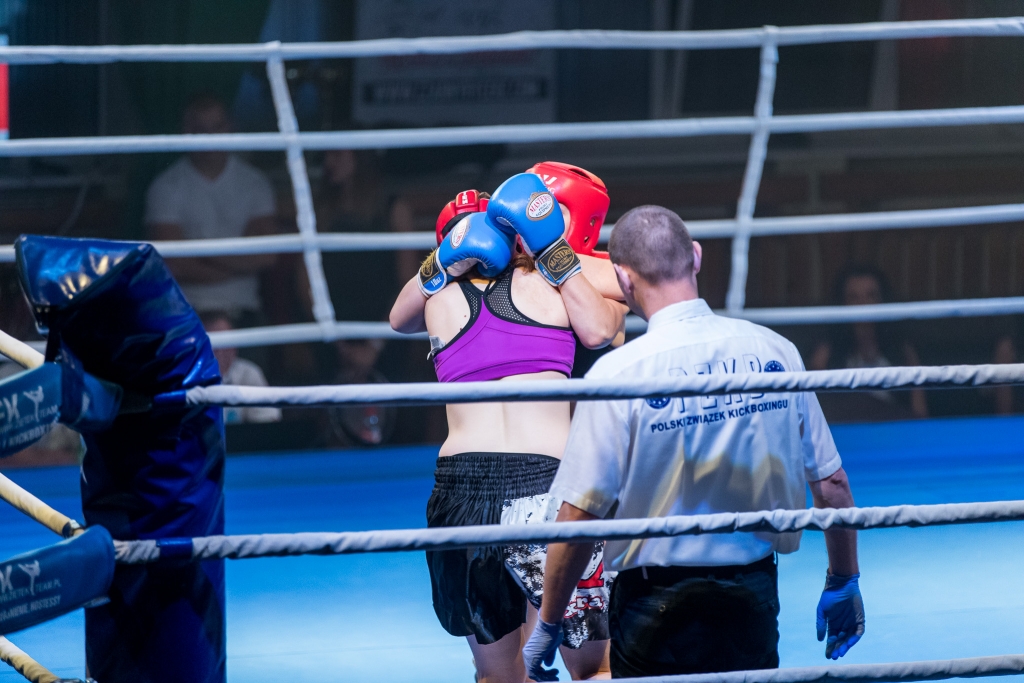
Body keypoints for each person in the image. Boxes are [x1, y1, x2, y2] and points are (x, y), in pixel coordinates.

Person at [525, 205, 865, 680]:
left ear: (623, 279)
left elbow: (579, 517)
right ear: (697, 256)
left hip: (654, 602)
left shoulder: (618, 374)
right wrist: (844, 579)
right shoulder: (775, 350)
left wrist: (549, 621)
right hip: (752, 593)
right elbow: (832, 484)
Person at [390, 174, 628, 682]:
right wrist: (555, 251)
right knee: (593, 669)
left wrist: (438, 266)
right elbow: (615, 307)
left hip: (460, 493)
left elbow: (395, 318)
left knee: (497, 677)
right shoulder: (551, 283)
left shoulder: (435, 300)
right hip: (547, 486)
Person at [145, 94, 278, 325]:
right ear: (187, 131)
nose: (210, 137)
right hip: (185, 313)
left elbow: (265, 255)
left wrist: (200, 251)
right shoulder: (166, 186)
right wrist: (237, 264)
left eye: (217, 127)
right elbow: (172, 263)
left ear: (230, 128)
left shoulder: (254, 183)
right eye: (201, 129)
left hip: (244, 311)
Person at [809, 267, 928, 420]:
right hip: (848, 432)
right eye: (854, 297)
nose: (863, 304)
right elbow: (815, 413)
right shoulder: (825, 354)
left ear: (882, 300)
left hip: (893, 431)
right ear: (842, 303)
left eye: (871, 296)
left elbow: (920, 416)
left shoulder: (902, 351)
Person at [201, 312, 282, 425]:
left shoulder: (248, 373)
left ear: (235, 344)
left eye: (224, 341)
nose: (219, 350)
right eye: (213, 343)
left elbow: (268, 422)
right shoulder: (186, 376)